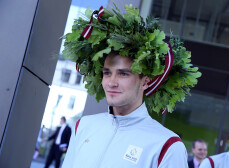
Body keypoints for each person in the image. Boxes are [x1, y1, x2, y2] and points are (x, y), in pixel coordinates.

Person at [61, 4, 201, 168]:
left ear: (145, 81)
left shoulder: (167, 146)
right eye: (107, 73)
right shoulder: (84, 126)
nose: (112, 82)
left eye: (123, 74)